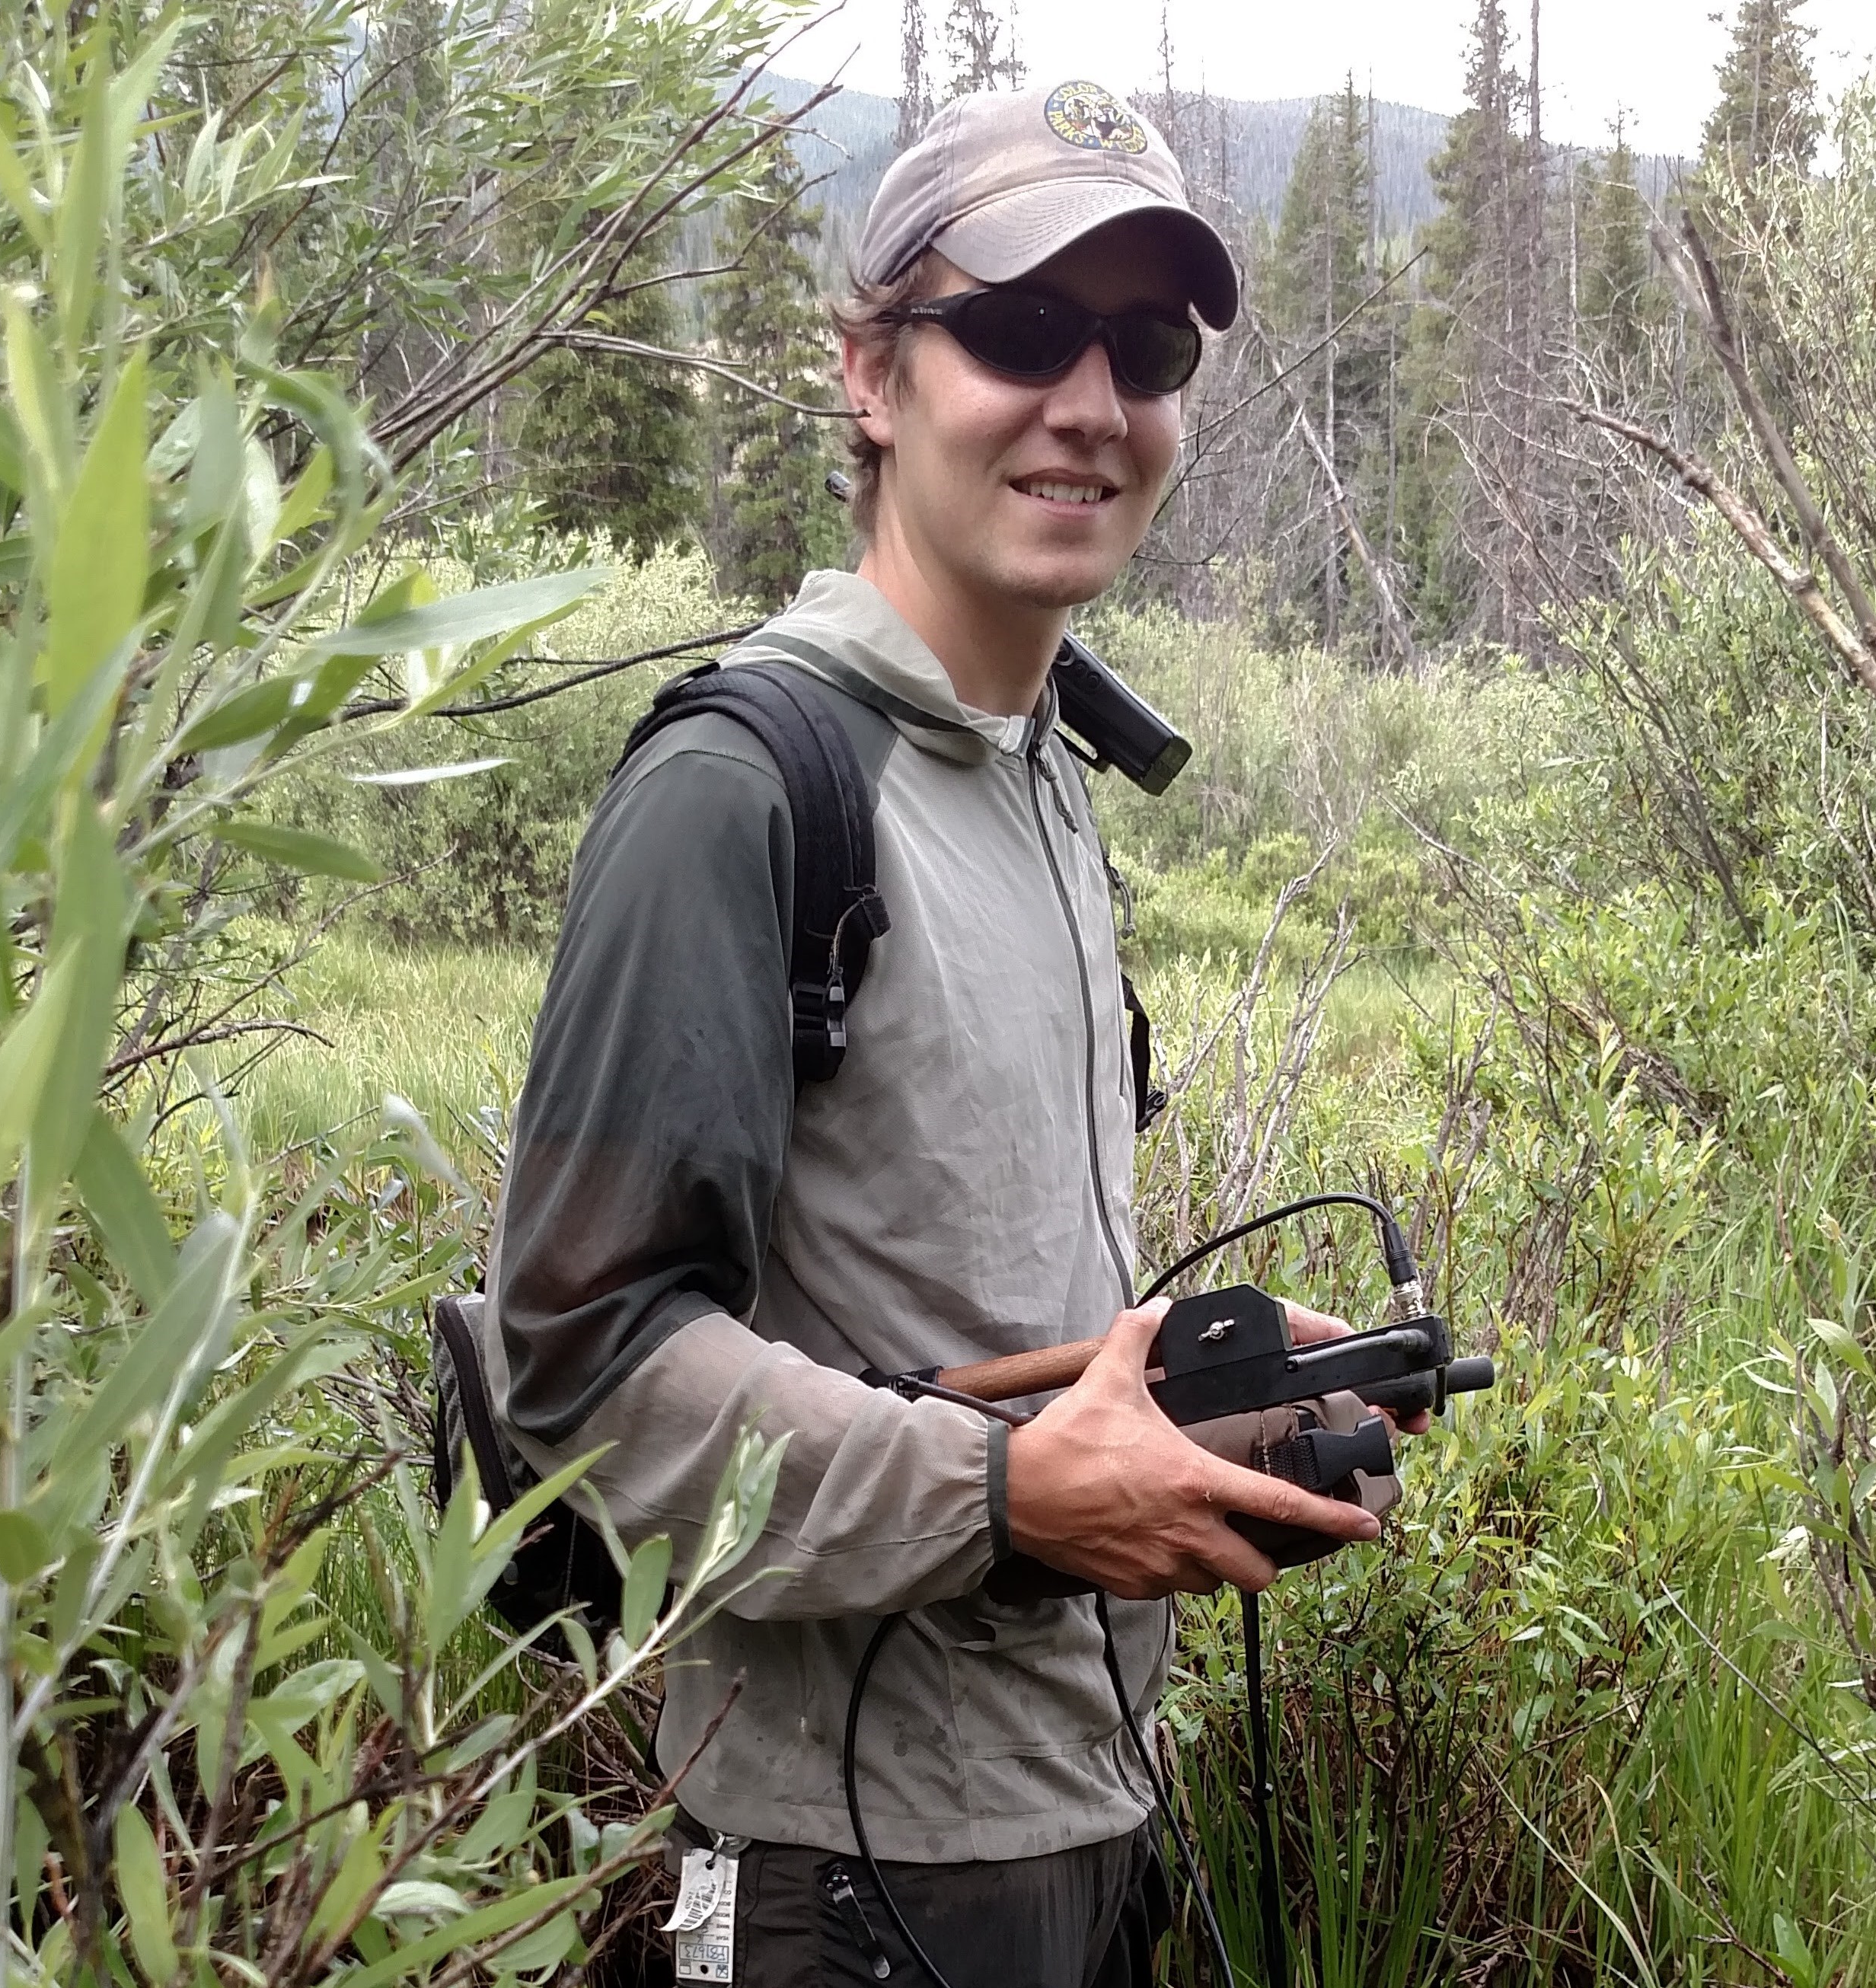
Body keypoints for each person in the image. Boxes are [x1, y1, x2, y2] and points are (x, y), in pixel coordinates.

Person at [478, 79, 1423, 1986]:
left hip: (1085, 1818)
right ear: (871, 374)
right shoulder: (743, 791)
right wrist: (1011, 1496)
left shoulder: (1042, 785)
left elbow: (934, 1311)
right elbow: (581, 1380)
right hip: (850, 1876)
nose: (1090, 400)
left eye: (1145, 346)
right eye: (1013, 328)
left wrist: (1182, 1416)